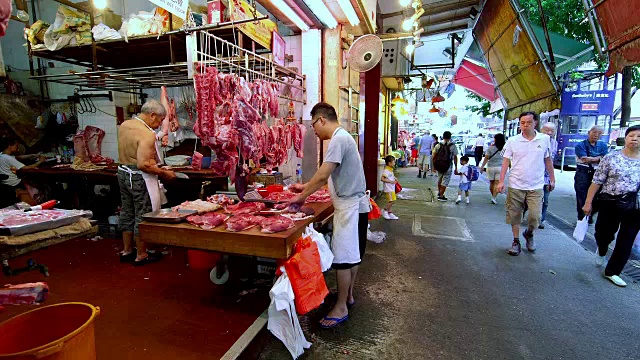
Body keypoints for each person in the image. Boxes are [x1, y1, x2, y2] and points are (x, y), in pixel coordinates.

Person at [288, 102, 370, 329]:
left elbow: (324, 174)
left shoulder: (338, 139)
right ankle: (348, 296)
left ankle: (341, 307)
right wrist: (303, 187)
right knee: (353, 255)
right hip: (355, 205)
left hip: (349, 208)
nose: (314, 130)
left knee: (343, 260)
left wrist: (301, 196)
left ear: (322, 119)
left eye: (314, 125)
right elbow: (327, 177)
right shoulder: (343, 138)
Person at [117, 99, 176, 266]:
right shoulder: (146, 134)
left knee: (127, 211)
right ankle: (141, 254)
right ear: (152, 115)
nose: (159, 125)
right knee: (143, 214)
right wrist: (164, 173)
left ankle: (127, 250)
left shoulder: (125, 125)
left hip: (122, 172)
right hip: (138, 177)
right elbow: (142, 164)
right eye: (159, 121)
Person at [582, 126, 640, 287]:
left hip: (635, 207)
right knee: (603, 233)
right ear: (626, 138)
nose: (635, 138)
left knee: (626, 240)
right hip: (610, 203)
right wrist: (588, 202)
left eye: (639, 136)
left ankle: (612, 271)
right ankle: (601, 249)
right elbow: (597, 181)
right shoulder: (611, 158)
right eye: (632, 135)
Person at [497, 111, 555, 256]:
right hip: (516, 183)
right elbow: (505, 161)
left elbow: (548, 160)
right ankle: (516, 241)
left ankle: (529, 233)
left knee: (535, 216)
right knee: (514, 215)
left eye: (528, 122)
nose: (525, 125)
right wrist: (501, 181)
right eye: (522, 123)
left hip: (536, 185)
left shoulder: (544, 139)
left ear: (535, 123)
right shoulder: (513, 141)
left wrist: (552, 179)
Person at [574, 125, 608, 223]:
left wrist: (594, 159)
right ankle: (582, 218)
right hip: (583, 173)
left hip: (597, 173)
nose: (596, 135)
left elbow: (606, 159)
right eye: (594, 132)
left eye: (599, 133)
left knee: (598, 196)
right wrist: (598, 158)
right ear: (589, 132)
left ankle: (590, 214)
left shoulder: (603, 145)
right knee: (582, 196)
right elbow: (584, 159)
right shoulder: (580, 145)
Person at [0, 136, 46, 205]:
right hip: (14, 183)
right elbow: (27, 168)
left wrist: (31, 155)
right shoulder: (9, 158)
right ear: (10, 146)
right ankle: (37, 201)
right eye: (16, 145)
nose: (17, 147)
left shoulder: (2, 154)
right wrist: (40, 161)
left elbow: (18, 157)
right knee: (38, 183)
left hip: (5, 182)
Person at [539, 122, 558, 229]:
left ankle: (541, 219)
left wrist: (552, 178)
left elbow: (551, 162)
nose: (549, 133)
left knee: (545, 200)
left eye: (552, 130)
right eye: (547, 130)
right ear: (542, 130)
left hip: (547, 177)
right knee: (530, 199)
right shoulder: (537, 141)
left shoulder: (554, 143)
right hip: (535, 176)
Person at [432, 131, 459, 202]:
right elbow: (455, 157)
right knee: (445, 181)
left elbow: (434, 156)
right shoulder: (453, 146)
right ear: (450, 137)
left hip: (439, 165)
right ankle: (441, 195)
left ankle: (439, 192)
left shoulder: (438, 145)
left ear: (443, 137)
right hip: (448, 166)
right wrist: (456, 167)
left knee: (440, 178)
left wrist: (434, 166)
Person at [479, 133, 506, 204]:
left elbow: (486, 158)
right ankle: (494, 197)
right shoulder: (505, 148)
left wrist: (482, 167)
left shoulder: (490, 148)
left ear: (495, 139)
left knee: (491, 183)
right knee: (497, 183)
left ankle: (493, 196)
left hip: (490, 167)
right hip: (500, 167)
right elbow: (507, 159)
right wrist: (510, 166)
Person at [381, 155, 399, 220]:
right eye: (393, 162)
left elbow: (389, 176)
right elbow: (382, 179)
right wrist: (391, 181)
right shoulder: (386, 170)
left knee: (392, 200)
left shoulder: (389, 169)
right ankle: (385, 211)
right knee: (391, 201)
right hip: (389, 188)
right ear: (389, 163)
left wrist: (394, 178)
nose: (394, 163)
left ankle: (389, 213)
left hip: (391, 188)